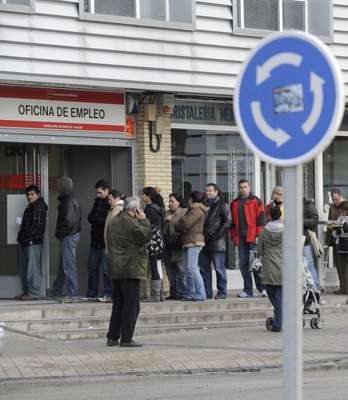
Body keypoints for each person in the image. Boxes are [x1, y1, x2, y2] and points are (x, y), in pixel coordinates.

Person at [106, 197, 152, 347]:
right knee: (132, 305)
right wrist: (144, 220)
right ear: (135, 210)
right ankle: (126, 338)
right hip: (130, 268)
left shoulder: (114, 221)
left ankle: (112, 337)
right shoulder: (131, 223)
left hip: (116, 267)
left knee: (118, 304)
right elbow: (146, 236)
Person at [230, 179, 266, 298]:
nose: (243, 189)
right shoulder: (234, 203)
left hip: (253, 237)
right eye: (241, 187)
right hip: (241, 239)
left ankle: (263, 288)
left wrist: (258, 236)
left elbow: (261, 220)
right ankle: (248, 290)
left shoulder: (256, 201)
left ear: (249, 187)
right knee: (243, 264)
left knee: (256, 264)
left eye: (245, 187)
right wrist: (234, 236)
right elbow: (233, 223)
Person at [199, 183, 232, 299]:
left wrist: (216, 235)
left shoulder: (222, 205)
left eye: (210, 191)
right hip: (204, 242)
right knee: (204, 269)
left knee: (219, 269)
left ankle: (222, 292)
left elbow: (228, 221)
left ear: (216, 192)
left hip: (217, 243)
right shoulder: (204, 205)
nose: (208, 193)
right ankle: (207, 293)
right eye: (206, 191)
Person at [16, 185, 48, 300]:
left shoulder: (39, 207)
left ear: (37, 195)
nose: (29, 197)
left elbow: (36, 227)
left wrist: (24, 237)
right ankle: (27, 291)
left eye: (32, 194)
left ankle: (33, 293)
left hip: (32, 242)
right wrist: (20, 238)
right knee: (25, 268)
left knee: (32, 268)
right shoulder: (31, 206)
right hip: (26, 242)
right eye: (28, 195)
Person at [52, 177, 82, 302]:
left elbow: (69, 222)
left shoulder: (68, 202)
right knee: (63, 264)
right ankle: (57, 290)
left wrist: (60, 233)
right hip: (70, 235)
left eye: (58, 186)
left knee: (68, 265)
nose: (57, 188)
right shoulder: (70, 200)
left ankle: (72, 293)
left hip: (69, 236)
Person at [175, 191, 207, 301]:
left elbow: (185, 223)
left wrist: (180, 220)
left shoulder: (196, 210)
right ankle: (190, 292)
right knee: (187, 269)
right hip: (188, 241)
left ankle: (201, 293)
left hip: (194, 241)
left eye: (189, 199)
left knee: (192, 268)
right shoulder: (193, 210)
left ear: (192, 199)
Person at [85, 180, 112, 302]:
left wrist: (98, 219)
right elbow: (90, 217)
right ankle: (92, 293)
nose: (98, 195)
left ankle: (108, 293)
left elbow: (106, 221)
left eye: (100, 192)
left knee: (106, 269)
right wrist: (98, 219)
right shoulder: (97, 202)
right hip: (95, 241)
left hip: (105, 242)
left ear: (107, 190)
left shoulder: (111, 203)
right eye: (97, 193)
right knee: (92, 268)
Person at [257, 206, 283, 332]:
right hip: (283, 264)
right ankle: (280, 317)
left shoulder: (263, 232)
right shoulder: (286, 231)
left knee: (272, 292)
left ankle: (278, 322)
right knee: (280, 293)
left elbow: (260, 250)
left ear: (270, 216)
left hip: (269, 265)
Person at [142, 186, 165, 302]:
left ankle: (155, 294)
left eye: (144, 195)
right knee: (158, 266)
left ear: (148, 196)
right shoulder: (159, 208)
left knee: (154, 266)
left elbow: (148, 226)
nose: (142, 197)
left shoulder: (150, 210)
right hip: (159, 240)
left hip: (153, 240)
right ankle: (160, 293)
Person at [164, 193, 187, 300]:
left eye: (172, 201)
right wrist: (165, 220)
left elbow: (184, 228)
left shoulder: (184, 212)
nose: (170, 204)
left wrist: (171, 220)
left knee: (181, 271)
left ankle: (184, 292)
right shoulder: (166, 214)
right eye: (169, 201)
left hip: (178, 246)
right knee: (170, 272)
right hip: (168, 246)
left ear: (179, 202)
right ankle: (174, 293)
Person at [327, 188, 348, 295]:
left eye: (336, 199)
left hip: (345, 239)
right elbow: (330, 222)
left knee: (346, 265)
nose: (335, 202)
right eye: (333, 199)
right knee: (339, 265)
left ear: (340, 195)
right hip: (337, 239)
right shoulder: (332, 208)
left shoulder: (346, 206)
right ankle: (342, 287)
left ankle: (346, 287)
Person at [303, 197, 320, 290]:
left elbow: (315, 220)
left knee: (309, 264)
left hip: (305, 240)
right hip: (291, 241)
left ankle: (315, 288)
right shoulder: (288, 205)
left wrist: (301, 221)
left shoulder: (308, 205)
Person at [104, 189, 124, 254]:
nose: (108, 202)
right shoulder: (115, 208)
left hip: (114, 246)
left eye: (110, 199)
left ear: (117, 198)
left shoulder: (117, 208)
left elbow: (113, 228)